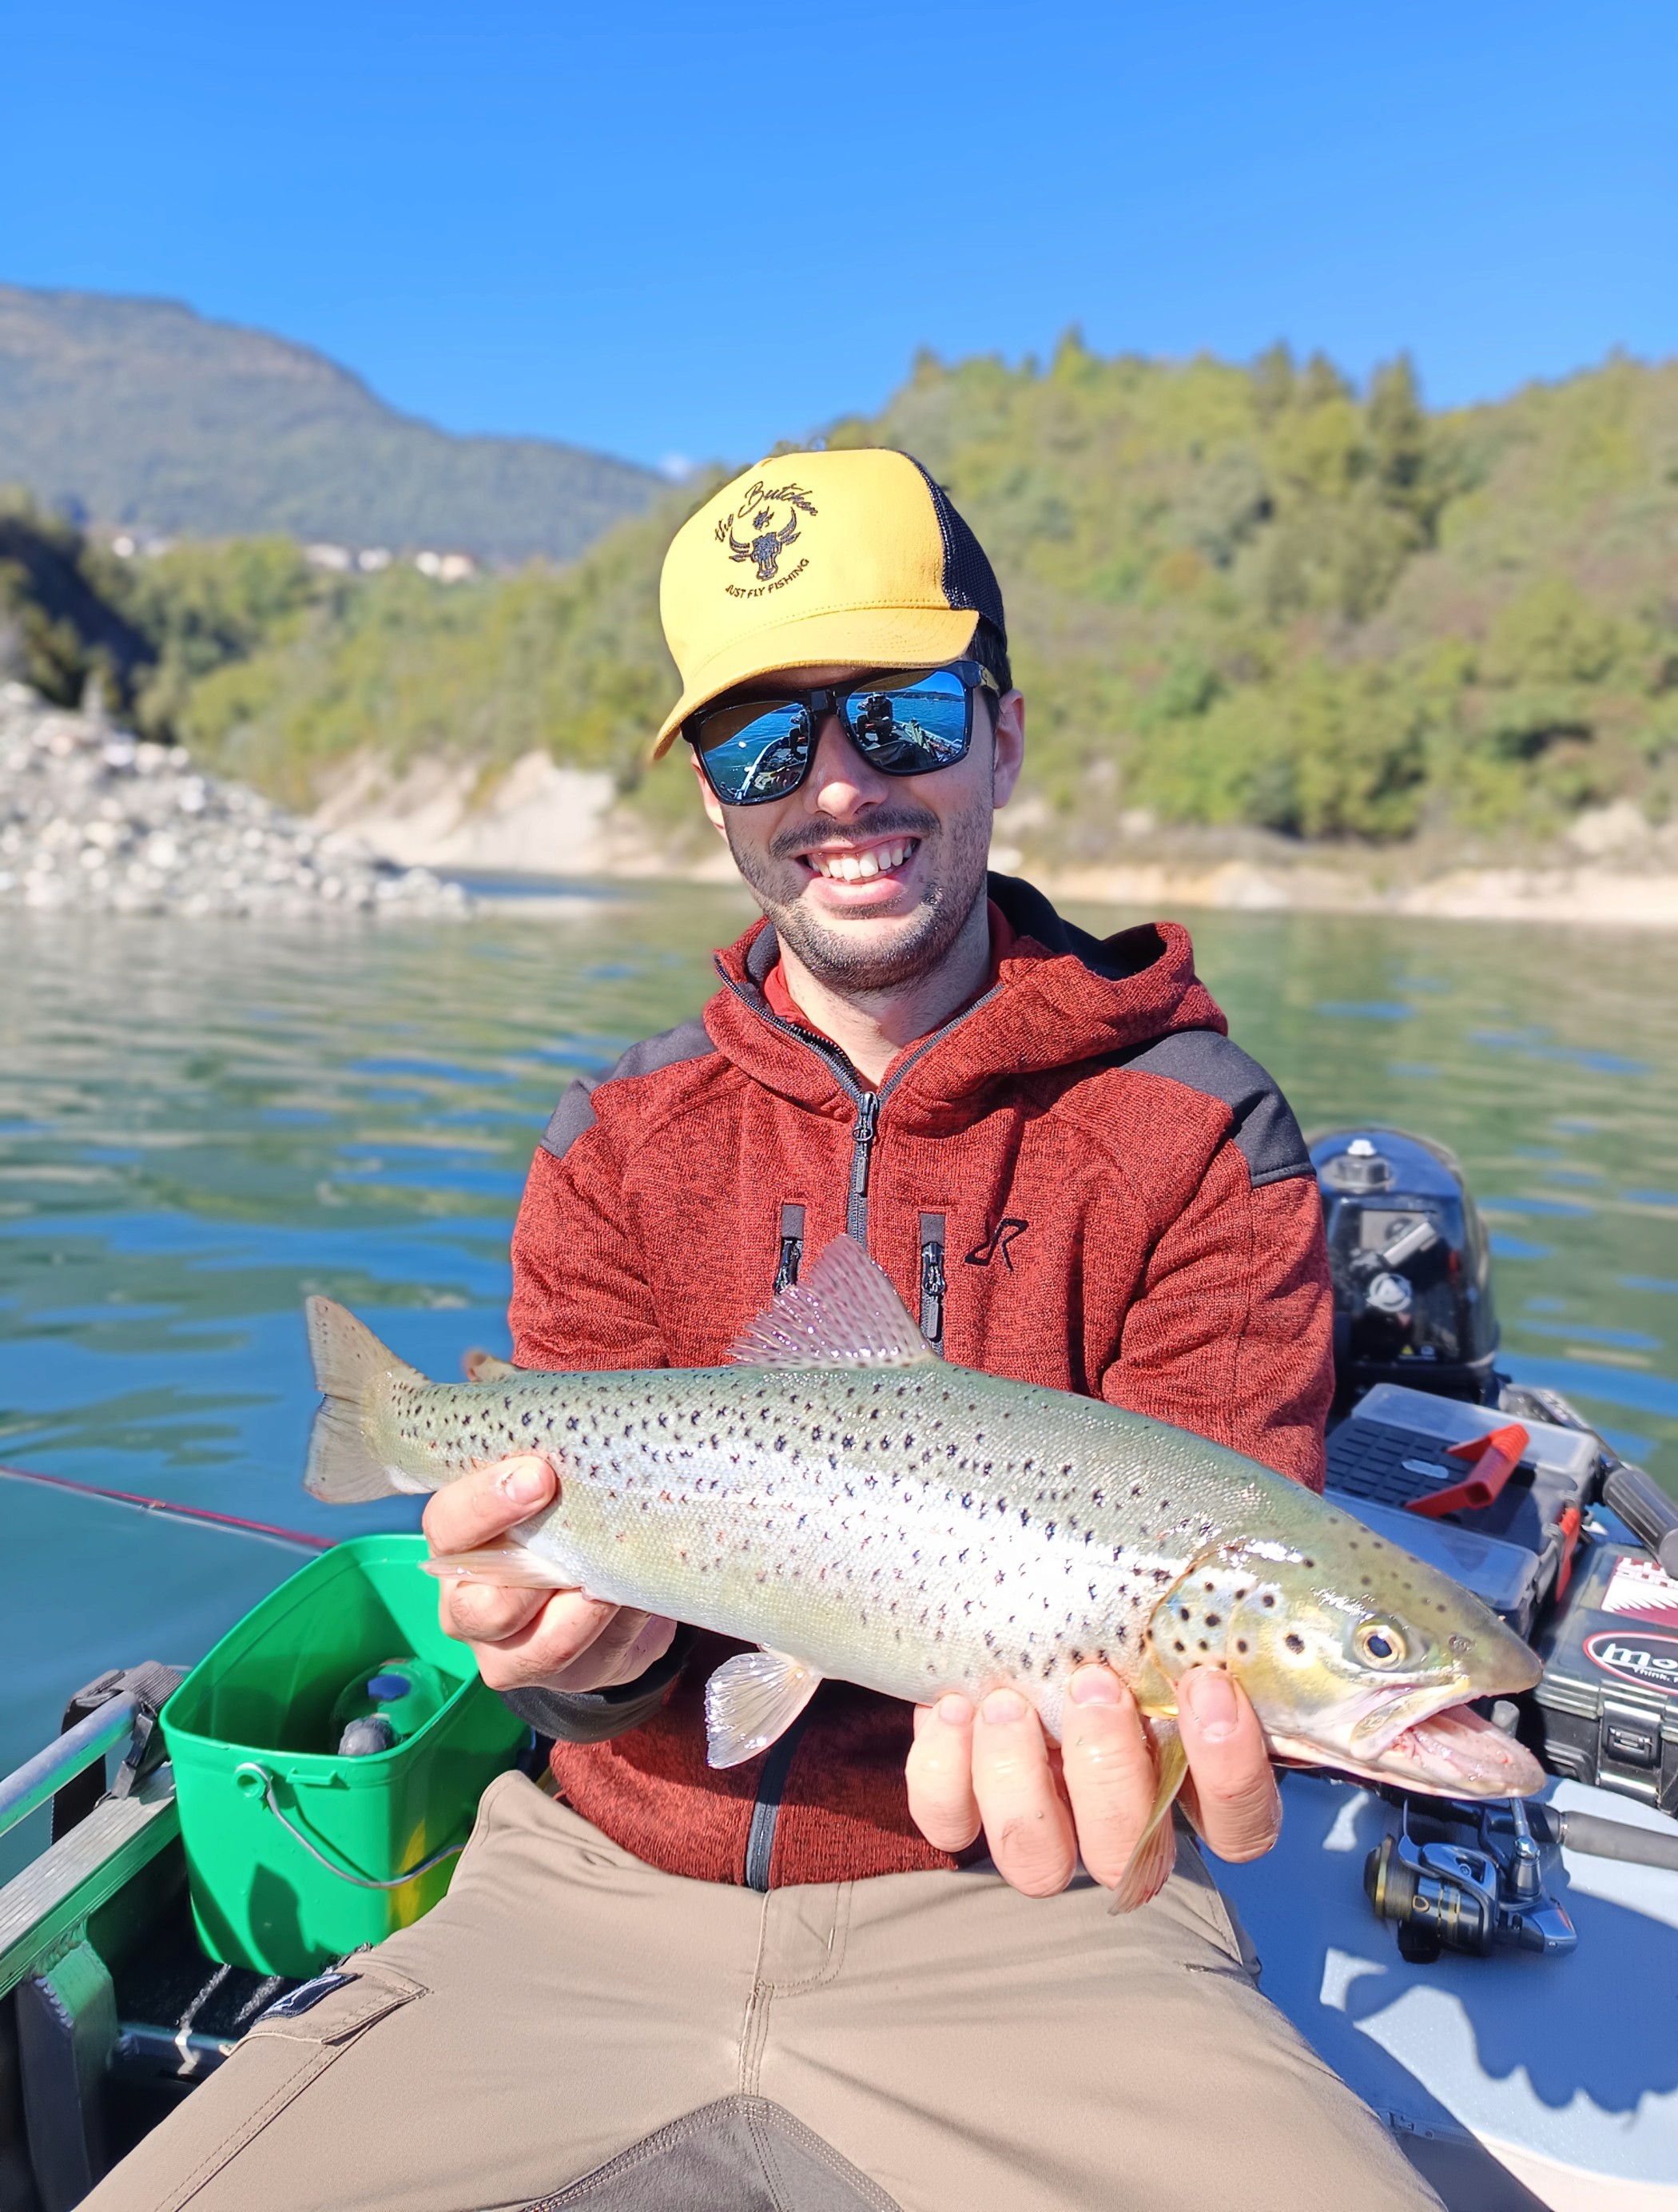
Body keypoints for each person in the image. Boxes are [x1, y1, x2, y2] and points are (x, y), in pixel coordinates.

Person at [89, 449, 1438, 2212]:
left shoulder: (1197, 1127)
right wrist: (569, 1652)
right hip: (584, 1892)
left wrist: (1177, 1763)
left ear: (1004, 736)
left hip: (1042, 1920)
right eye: (762, 745)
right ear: (717, 804)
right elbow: (606, 1679)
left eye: (902, 713)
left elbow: (1238, 1526)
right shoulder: (613, 1137)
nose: (839, 786)